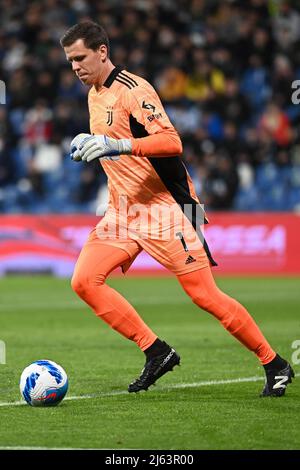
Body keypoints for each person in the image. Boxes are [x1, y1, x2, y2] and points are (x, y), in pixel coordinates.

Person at [60, 21, 294, 396]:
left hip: (167, 209)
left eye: (80, 57)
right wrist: (90, 144)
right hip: (121, 212)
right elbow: (113, 143)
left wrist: (117, 146)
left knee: (205, 296)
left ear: (102, 51)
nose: (75, 66)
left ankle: (275, 363)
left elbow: (171, 142)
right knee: (84, 281)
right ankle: (156, 351)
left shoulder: (135, 91)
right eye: (70, 60)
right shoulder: (93, 93)